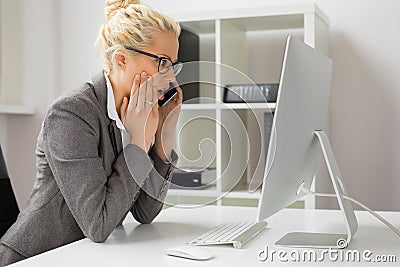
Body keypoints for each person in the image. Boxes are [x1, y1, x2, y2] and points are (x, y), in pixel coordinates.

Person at [0, 0, 182, 265]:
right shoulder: (71, 113)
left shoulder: (137, 112)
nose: (171, 80)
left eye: (173, 67)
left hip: (85, 254)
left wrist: (163, 134)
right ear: (121, 59)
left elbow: (145, 212)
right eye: (162, 63)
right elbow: (99, 224)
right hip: (36, 257)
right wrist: (139, 142)